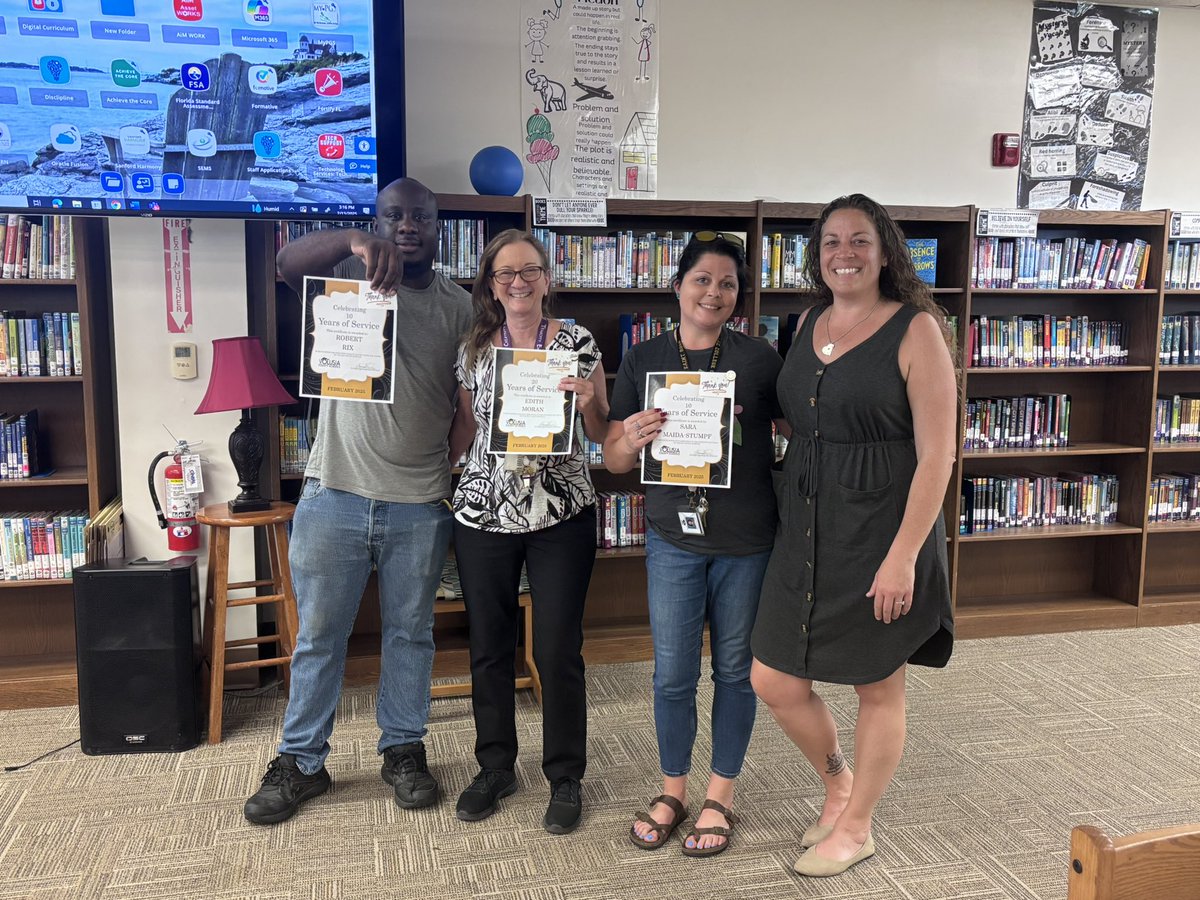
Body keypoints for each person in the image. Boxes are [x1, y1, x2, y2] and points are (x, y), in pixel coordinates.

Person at [243, 178, 472, 824]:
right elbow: (285, 263)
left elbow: (467, 409)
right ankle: (300, 762)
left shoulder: (457, 308)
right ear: (378, 221)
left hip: (419, 504)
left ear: (436, 228)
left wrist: (443, 468)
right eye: (392, 216)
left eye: (420, 218)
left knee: (411, 635)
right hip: (333, 494)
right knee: (318, 637)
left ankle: (403, 748)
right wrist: (350, 239)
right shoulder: (341, 281)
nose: (406, 227)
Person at [750, 194, 957, 876]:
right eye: (832, 241)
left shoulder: (916, 329)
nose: (845, 252)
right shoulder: (808, 320)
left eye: (860, 240)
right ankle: (837, 781)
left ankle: (858, 825)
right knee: (773, 677)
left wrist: (903, 559)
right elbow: (801, 416)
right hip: (805, 525)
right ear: (817, 254)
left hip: (880, 532)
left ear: (885, 250)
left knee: (878, 684)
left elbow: (937, 457)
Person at [603, 232, 785, 857]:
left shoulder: (760, 360)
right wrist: (631, 433)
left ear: (738, 295)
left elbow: (797, 432)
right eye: (702, 279)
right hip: (673, 540)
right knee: (673, 674)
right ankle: (673, 789)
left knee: (736, 672)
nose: (714, 292)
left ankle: (720, 796)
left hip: (746, 542)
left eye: (728, 283)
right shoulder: (642, 359)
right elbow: (616, 459)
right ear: (678, 285)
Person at [449, 229, 609, 834]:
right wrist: (440, 473)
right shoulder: (472, 348)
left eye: (530, 271)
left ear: (547, 277)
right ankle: (496, 766)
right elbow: (465, 427)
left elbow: (597, 431)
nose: (518, 282)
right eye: (505, 273)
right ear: (490, 284)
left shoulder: (577, 342)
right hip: (484, 513)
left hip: (560, 511)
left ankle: (565, 775)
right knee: (489, 643)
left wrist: (592, 398)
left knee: (557, 649)